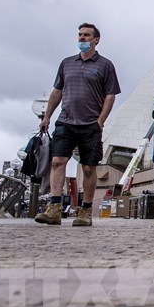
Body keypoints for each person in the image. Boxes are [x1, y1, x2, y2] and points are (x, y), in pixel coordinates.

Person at [35, 23, 121, 226]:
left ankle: (85, 211)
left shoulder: (105, 65)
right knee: (57, 161)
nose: (82, 38)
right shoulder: (67, 63)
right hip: (66, 121)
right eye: (80, 35)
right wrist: (47, 116)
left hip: (90, 123)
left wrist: (100, 121)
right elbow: (57, 91)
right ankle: (54, 208)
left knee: (89, 168)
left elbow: (110, 95)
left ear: (96, 39)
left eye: (86, 35)